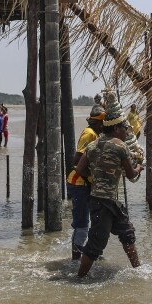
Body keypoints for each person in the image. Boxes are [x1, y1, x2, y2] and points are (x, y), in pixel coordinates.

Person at [76, 96, 144, 278]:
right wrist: (139, 166)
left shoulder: (92, 145)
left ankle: (139, 271)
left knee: (127, 232)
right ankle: (79, 278)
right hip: (104, 202)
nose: (127, 131)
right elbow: (131, 175)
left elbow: (80, 168)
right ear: (115, 128)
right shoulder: (120, 146)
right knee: (96, 244)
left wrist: (95, 179)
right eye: (125, 128)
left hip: (104, 200)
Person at [66, 106, 104, 260]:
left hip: (85, 184)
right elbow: (77, 161)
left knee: (87, 221)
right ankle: (76, 258)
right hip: (79, 183)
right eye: (103, 123)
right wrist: (92, 178)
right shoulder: (89, 134)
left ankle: (82, 252)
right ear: (97, 123)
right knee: (82, 223)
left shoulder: (95, 134)